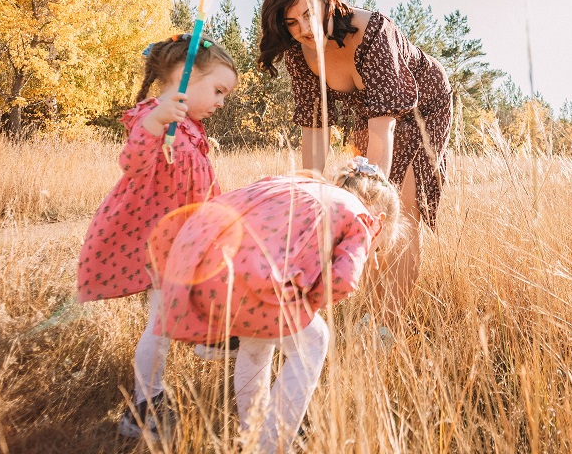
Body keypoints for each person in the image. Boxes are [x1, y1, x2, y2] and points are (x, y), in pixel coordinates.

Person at [155, 160, 401, 452]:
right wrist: (309, 303)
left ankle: (253, 433)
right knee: (314, 341)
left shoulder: (305, 186)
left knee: (258, 344)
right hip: (248, 280)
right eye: (378, 247)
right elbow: (343, 281)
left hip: (199, 260)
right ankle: (272, 445)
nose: (373, 254)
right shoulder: (361, 217)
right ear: (380, 218)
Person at [257, 0, 453, 320]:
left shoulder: (374, 32)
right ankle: (373, 309)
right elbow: (313, 129)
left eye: (308, 14)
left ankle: (387, 322)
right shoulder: (300, 56)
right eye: (292, 23)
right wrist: (308, 197)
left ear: (327, 0)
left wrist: (370, 197)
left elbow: (383, 131)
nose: (304, 29)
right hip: (371, 113)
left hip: (421, 107)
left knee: (397, 208)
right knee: (362, 220)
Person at [75, 33, 238, 439]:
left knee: (185, 305)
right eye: (217, 90)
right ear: (184, 76)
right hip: (154, 239)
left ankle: (210, 336)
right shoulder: (156, 117)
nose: (220, 102)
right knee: (161, 324)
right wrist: (156, 120)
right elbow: (131, 161)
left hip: (185, 237)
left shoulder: (191, 127)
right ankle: (144, 404)